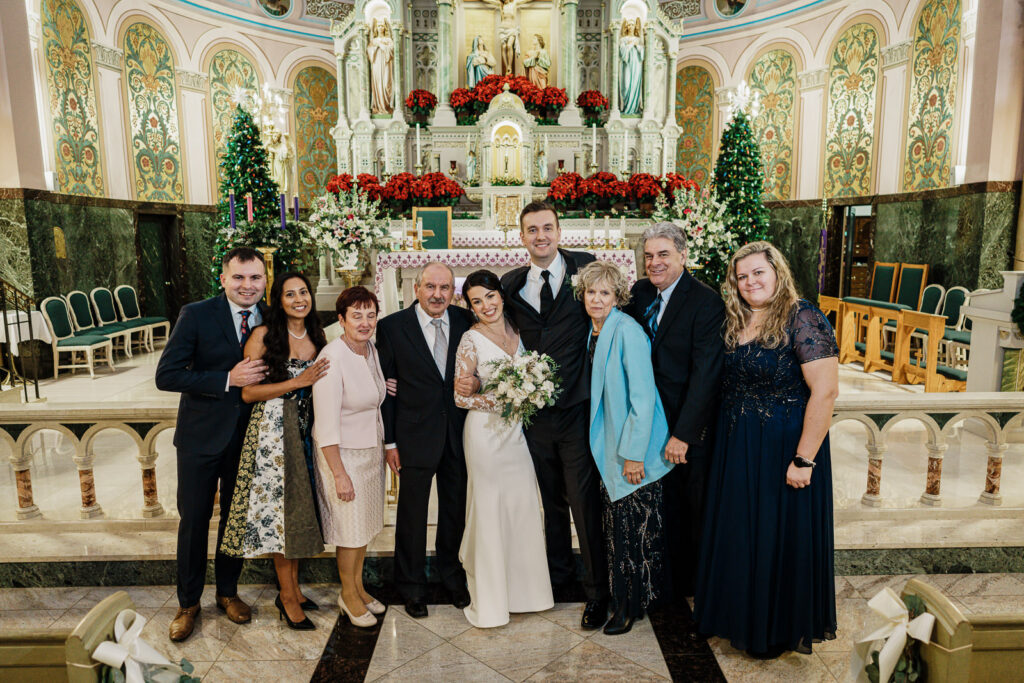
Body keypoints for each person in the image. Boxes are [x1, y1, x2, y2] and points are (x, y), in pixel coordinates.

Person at [694, 241, 838, 658]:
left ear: (777, 272)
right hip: (737, 444)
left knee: (777, 534)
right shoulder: (737, 317)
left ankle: (773, 628)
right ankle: (737, 616)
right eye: (742, 276)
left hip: (784, 447)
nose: (750, 282)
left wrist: (804, 458)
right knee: (741, 531)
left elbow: (825, 392)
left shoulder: (802, 315)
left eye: (758, 272)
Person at [500, 201, 609, 629]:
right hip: (534, 413)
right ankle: (559, 577)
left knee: (583, 501)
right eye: (532, 230)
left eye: (547, 228)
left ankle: (598, 591)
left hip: (578, 408)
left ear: (560, 232)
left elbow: (615, 312)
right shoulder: (510, 284)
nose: (540, 236)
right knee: (548, 499)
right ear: (522, 237)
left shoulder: (588, 269)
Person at [155, 246, 268, 642]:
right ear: (223, 279)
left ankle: (227, 592)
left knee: (234, 521)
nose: (247, 285)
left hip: (248, 438)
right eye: (238, 277)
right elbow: (166, 375)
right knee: (195, 521)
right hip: (201, 438)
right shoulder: (197, 314)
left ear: (265, 280)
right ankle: (187, 603)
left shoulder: (271, 317)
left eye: (255, 277)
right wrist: (226, 379)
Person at [220, 272, 329, 630]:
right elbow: (248, 394)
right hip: (272, 433)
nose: (299, 299)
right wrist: (297, 382)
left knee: (298, 512)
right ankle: (286, 595)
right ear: (278, 300)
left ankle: (293, 588)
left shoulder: (316, 334)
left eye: (303, 292)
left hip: (306, 431)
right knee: (280, 517)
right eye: (289, 294)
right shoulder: (263, 335)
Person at [623, 223, 724, 604]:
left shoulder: (705, 301)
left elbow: (706, 373)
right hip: (648, 421)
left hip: (683, 426)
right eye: (649, 256)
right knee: (658, 504)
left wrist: (683, 434)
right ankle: (661, 581)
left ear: (683, 255)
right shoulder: (641, 292)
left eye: (663, 254)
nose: (655, 262)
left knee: (688, 508)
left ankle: (692, 587)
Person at [576, 261, 673, 635]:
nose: (597, 299)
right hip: (610, 446)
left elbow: (643, 398)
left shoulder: (628, 331)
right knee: (617, 531)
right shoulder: (595, 330)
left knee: (632, 534)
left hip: (633, 451)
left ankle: (629, 608)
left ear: (618, 297)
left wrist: (633, 455)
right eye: (591, 292)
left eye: (605, 293)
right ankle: (624, 600)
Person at [376, 263, 477, 618]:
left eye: (445, 288)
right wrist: (390, 442)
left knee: (454, 511)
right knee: (412, 515)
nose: (437, 294)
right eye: (431, 287)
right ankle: (411, 586)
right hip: (413, 434)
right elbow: (385, 390)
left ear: (454, 292)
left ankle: (452, 577)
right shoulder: (391, 327)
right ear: (416, 288)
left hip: (458, 433)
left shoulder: (467, 322)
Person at [454, 270, 553, 628]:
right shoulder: (470, 339)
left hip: (516, 435)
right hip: (485, 435)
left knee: (522, 504)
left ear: (500, 295)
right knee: (491, 508)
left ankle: (527, 593)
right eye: (476, 301)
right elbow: (460, 398)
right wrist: (505, 401)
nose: (485, 306)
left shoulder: (517, 326)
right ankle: (493, 601)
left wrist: (528, 393)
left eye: (490, 297)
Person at [311, 286, 387, 628]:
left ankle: (358, 587)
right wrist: (339, 473)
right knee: (349, 532)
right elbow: (325, 424)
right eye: (356, 315)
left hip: (369, 450)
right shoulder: (332, 357)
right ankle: (348, 594)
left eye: (370, 314)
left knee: (364, 529)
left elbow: (370, 391)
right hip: (343, 456)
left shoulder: (369, 349)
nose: (365, 321)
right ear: (341, 319)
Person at [367, 18, 394, 115]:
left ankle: (386, 106)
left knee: (386, 83)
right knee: (377, 84)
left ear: (385, 27)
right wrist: (375, 47)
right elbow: (369, 53)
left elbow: (391, 51)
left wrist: (382, 45)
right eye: (378, 25)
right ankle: (378, 107)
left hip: (386, 64)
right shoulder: (373, 40)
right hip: (376, 65)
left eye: (382, 25)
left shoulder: (388, 40)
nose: (380, 27)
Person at [619, 19, 643, 115]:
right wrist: (628, 46)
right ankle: (626, 107)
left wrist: (638, 47)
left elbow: (643, 55)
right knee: (626, 84)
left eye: (632, 24)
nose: (631, 26)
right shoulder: (623, 39)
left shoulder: (638, 40)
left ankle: (634, 108)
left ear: (635, 26)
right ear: (626, 27)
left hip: (637, 65)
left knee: (635, 85)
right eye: (629, 25)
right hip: (627, 65)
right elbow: (622, 54)